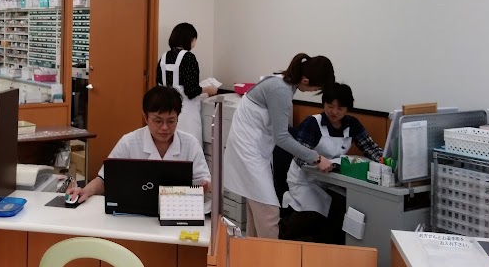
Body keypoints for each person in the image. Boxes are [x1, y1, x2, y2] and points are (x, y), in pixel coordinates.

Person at [223, 53, 336, 239]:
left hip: (254, 149)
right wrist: (316, 158)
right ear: (306, 80)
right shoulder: (281, 90)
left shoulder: (282, 82)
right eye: (316, 88)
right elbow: (282, 138)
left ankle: (251, 254)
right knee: (269, 213)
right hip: (249, 150)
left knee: (257, 211)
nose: (314, 91)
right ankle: (271, 256)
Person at [67, 86, 210, 204]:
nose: (165, 127)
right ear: (145, 117)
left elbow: (203, 182)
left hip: (177, 213)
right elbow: (105, 178)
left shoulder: (190, 144)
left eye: (171, 121)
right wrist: (86, 191)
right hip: (135, 212)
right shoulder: (129, 142)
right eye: (158, 121)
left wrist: (204, 187)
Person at [280, 83, 383, 244]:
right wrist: (317, 160)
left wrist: (384, 161)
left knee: (343, 209)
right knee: (314, 213)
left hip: (332, 181)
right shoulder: (312, 123)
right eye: (330, 106)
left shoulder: (352, 124)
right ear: (324, 104)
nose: (334, 112)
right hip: (305, 181)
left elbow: (370, 147)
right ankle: (281, 236)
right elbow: (299, 154)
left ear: (347, 109)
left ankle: (326, 244)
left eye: (340, 108)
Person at [156, 23, 218, 144]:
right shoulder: (189, 57)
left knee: (169, 146)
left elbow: (159, 84)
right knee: (189, 147)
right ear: (190, 39)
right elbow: (191, 91)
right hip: (186, 116)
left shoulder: (163, 58)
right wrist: (207, 89)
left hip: (165, 111)